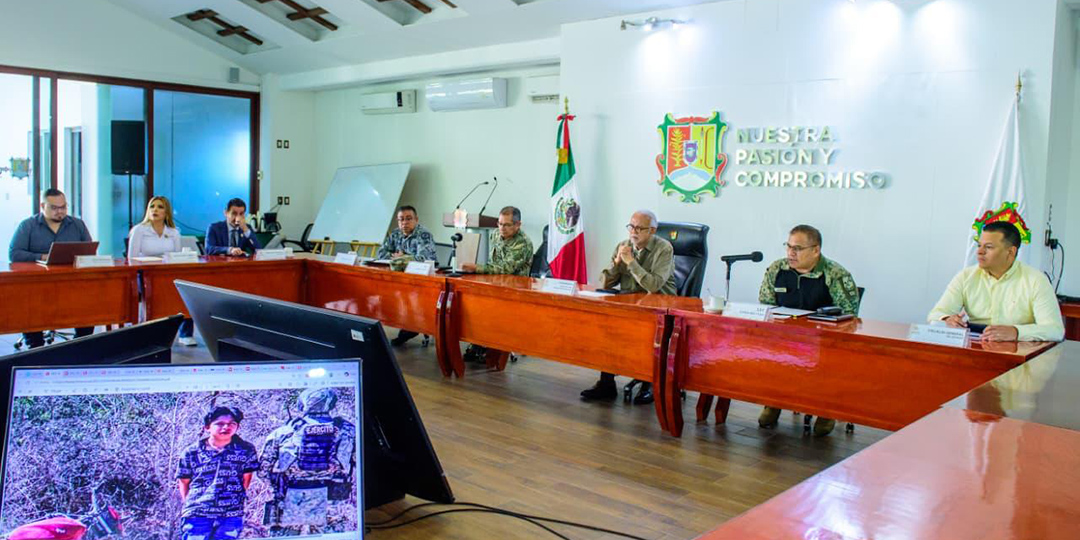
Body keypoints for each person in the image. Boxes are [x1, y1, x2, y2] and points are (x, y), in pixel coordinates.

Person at [757, 224, 860, 436]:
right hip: (785, 337)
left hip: (822, 341)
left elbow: (850, 318)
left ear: (816, 250)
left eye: (797, 248)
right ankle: (774, 401)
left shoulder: (835, 274)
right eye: (788, 246)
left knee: (833, 358)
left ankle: (826, 410)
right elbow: (765, 305)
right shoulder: (777, 269)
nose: (790, 253)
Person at [580, 210, 675, 405]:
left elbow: (653, 285)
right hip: (629, 304)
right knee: (607, 327)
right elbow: (604, 283)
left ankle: (649, 384)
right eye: (631, 227)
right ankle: (606, 383)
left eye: (639, 228)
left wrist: (631, 262)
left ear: (652, 231)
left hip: (658, 306)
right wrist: (616, 264)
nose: (633, 232)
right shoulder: (623, 246)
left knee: (647, 333)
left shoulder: (664, 249)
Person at [928, 220, 1064, 342]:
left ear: (1011, 252)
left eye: (988, 247)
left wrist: (1017, 332)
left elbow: (1055, 330)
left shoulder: (1036, 280)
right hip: (976, 347)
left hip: (1018, 351)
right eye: (979, 245)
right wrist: (947, 320)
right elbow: (935, 315)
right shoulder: (966, 276)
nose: (980, 252)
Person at [259, 388, 357, 537]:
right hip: (333, 499)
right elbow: (359, 464)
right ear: (331, 403)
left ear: (302, 404)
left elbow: (263, 471)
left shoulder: (283, 432)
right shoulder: (349, 431)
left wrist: (278, 487)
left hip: (292, 497)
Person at [8, 188, 95, 348]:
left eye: (63, 207)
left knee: (88, 305)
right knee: (30, 308)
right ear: (43, 206)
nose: (60, 212)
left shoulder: (77, 225)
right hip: (36, 284)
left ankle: (80, 345)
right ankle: (35, 348)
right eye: (54, 208)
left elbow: (89, 250)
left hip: (71, 283)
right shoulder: (28, 225)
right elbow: (15, 254)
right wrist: (42, 257)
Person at [177, 406, 260, 540]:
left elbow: (246, 479)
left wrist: (234, 498)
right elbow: (184, 481)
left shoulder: (246, 449)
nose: (226, 427)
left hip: (231, 513)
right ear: (207, 427)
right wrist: (193, 504)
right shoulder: (192, 452)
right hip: (198, 513)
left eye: (232, 424)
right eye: (220, 424)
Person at [127, 196, 197, 346]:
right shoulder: (139, 230)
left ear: (166, 212)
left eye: (160, 207)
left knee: (185, 289)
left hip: (168, 273)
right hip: (145, 274)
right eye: (152, 207)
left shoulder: (173, 232)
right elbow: (131, 258)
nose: (155, 210)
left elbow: (177, 257)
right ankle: (147, 332)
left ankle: (185, 334)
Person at [378, 206, 438, 346]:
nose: (404, 223)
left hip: (422, 279)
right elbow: (381, 253)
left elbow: (424, 258)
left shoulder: (424, 235)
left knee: (408, 294)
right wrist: (401, 258)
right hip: (400, 277)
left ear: (416, 219)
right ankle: (406, 325)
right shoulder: (395, 233)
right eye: (401, 219)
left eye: (409, 219)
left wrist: (402, 257)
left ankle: (411, 327)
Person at [460, 206, 533, 276]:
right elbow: (492, 263)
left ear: (518, 225)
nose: (502, 228)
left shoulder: (523, 243)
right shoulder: (496, 234)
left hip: (515, 282)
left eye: (507, 225)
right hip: (495, 279)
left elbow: (506, 269)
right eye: (500, 224)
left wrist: (477, 268)